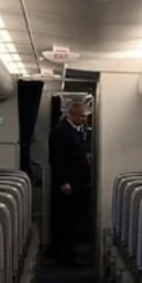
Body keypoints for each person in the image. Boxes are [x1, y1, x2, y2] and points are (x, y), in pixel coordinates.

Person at [49, 99, 93, 266]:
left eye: (85, 117)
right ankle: (65, 256)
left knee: (75, 220)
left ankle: (71, 253)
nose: (84, 119)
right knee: (66, 221)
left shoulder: (79, 131)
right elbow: (56, 160)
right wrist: (63, 182)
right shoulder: (60, 132)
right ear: (71, 114)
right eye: (81, 116)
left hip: (79, 183)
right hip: (67, 185)